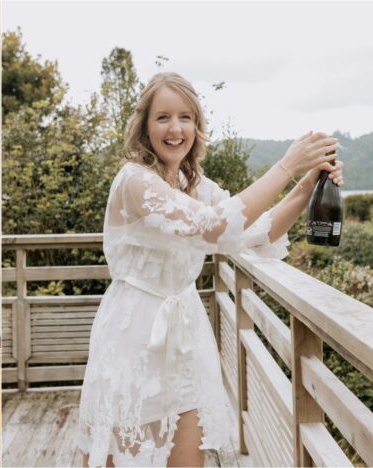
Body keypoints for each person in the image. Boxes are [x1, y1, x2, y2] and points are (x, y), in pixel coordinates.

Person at [77, 72, 344, 467]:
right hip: (135, 335)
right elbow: (212, 227)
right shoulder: (134, 181)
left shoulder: (193, 183)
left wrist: (306, 185)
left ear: (196, 127)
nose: (176, 128)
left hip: (186, 335)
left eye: (186, 117)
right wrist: (287, 165)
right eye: (163, 117)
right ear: (144, 127)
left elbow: (253, 231)